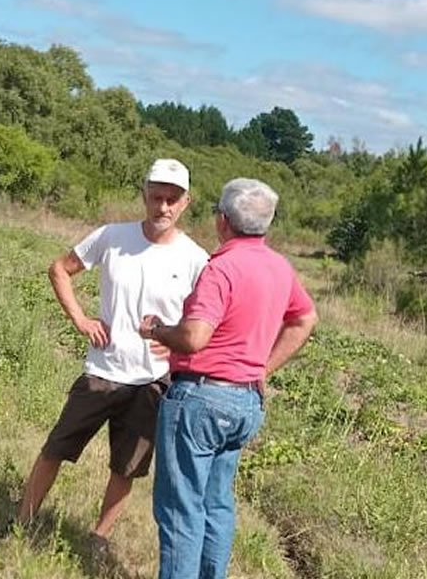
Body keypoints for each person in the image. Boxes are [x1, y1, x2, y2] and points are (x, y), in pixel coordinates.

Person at [15, 159, 209, 552]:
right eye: (157, 197)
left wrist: (174, 345)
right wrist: (80, 319)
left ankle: (98, 539)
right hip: (101, 371)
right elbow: (60, 269)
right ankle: (22, 522)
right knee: (56, 447)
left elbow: (204, 320)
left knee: (127, 467)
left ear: (186, 202)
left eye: (173, 199)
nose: (163, 207)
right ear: (144, 195)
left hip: (153, 381)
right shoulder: (111, 236)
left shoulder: (196, 259)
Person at [139, 177, 318, 579]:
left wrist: (158, 330)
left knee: (180, 509)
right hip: (244, 402)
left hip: (200, 400)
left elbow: (195, 337)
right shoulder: (279, 266)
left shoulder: (221, 268)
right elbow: (305, 318)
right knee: (217, 502)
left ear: (223, 220)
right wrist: (262, 369)